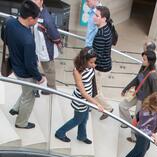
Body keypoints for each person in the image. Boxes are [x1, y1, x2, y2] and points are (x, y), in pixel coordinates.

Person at [5, 0, 46, 129]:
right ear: (30, 18)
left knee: (26, 91)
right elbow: (30, 65)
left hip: (15, 66)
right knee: (29, 96)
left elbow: (4, 36)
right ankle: (21, 122)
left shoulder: (10, 22)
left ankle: (16, 108)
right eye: (36, 18)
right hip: (25, 73)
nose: (38, 20)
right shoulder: (28, 40)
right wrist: (39, 77)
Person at [55, 48, 104, 144]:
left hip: (88, 99)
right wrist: (97, 104)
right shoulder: (77, 72)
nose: (94, 65)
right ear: (84, 60)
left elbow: (91, 82)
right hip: (80, 100)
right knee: (77, 120)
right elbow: (83, 93)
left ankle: (81, 136)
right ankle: (60, 132)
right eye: (91, 62)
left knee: (85, 118)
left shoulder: (91, 67)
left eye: (95, 62)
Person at [119, 50, 157, 140]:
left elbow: (155, 93)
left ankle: (133, 137)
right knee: (122, 106)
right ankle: (128, 123)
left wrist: (150, 106)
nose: (142, 61)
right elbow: (137, 79)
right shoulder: (143, 67)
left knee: (137, 119)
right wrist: (126, 88)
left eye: (144, 59)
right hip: (136, 94)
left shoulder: (152, 76)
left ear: (150, 61)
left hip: (143, 101)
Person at [122, 92, 157, 157]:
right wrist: (153, 135)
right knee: (138, 149)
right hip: (142, 134)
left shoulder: (151, 109)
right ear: (155, 106)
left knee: (146, 147)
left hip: (146, 134)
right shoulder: (147, 113)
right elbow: (141, 127)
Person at [33, 0, 62, 92]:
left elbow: (55, 35)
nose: (33, 1)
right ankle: (35, 86)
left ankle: (51, 88)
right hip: (35, 47)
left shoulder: (46, 17)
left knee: (49, 69)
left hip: (46, 49)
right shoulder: (33, 12)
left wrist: (58, 43)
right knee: (35, 67)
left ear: (41, 1)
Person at [92, 5, 114, 119]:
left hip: (101, 68)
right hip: (106, 65)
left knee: (96, 91)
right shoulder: (106, 28)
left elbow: (97, 55)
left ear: (104, 19)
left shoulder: (101, 34)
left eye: (97, 15)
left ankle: (108, 109)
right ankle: (96, 104)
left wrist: (89, 65)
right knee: (98, 88)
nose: (94, 17)